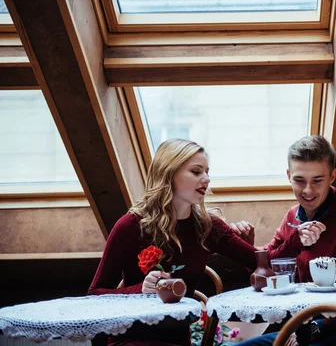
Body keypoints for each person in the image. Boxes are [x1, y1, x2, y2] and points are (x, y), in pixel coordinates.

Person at [88, 139, 323, 346]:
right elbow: (95, 294)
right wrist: (142, 290)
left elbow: (260, 261)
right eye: (196, 171)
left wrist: (297, 238)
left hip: (179, 341)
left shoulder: (207, 226)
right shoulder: (131, 226)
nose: (207, 179)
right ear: (169, 173)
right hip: (130, 339)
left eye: (207, 171)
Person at [231, 135, 336, 346]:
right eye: (299, 180)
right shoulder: (292, 216)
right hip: (298, 329)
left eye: (317, 180)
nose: (308, 190)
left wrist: (314, 328)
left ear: (332, 176)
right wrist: (248, 244)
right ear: (288, 176)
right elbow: (269, 268)